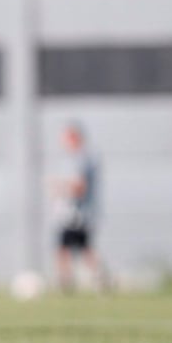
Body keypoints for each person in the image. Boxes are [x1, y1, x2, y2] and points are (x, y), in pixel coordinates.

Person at [53, 122, 108, 293]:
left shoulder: (82, 158)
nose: (62, 141)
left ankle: (66, 284)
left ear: (74, 138)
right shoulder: (76, 158)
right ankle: (100, 280)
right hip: (74, 213)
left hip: (76, 214)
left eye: (65, 137)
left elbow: (80, 187)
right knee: (83, 249)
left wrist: (60, 187)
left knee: (65, 249)